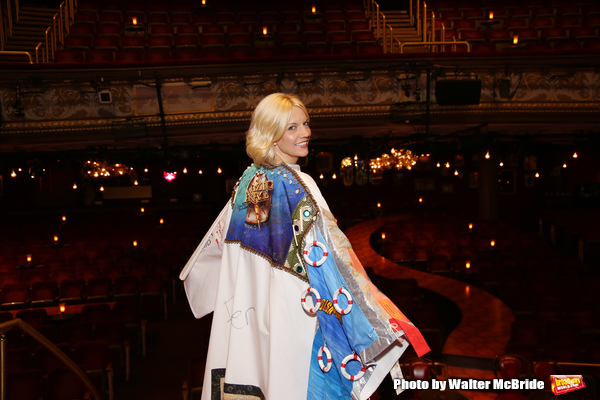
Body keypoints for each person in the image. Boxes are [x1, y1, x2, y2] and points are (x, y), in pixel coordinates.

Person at [180, 93, 429, 400]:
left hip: (251, 315)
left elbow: (222, 250)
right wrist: (373, 308)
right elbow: (331, 254)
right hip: (296, 314)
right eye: (292, 127)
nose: (305, 133)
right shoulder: (299, 186)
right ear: (270, 133)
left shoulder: (247, 182)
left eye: (306, 124)